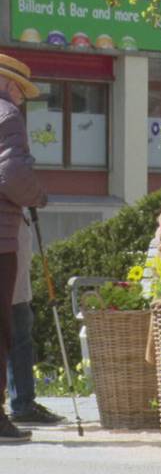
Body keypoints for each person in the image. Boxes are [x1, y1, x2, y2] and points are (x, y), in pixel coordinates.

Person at [0, 54, 48, 443]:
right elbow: (13, 175)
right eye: (19, 89)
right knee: (8, 325)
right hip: (2, 234)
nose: (21, 98)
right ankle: (8, 412)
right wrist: (38, 195)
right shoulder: (7, 116)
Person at [7, 211, 64, 424]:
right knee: (19, 337)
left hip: (14, 261)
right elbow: (26, 188)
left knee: (19, 335)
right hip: (10, 262)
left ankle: (22, 403)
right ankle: (22, 405)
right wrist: (38, 195)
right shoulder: (10, 178)